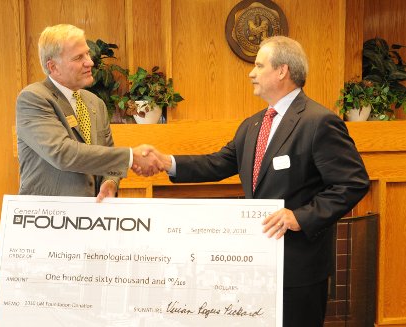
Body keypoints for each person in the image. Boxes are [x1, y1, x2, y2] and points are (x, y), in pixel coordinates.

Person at [150, 36, 369, 326]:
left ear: (282, 71)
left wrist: (301, 216)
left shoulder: (319, 122)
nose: (251, 73)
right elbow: (217, 164)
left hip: (298, 267)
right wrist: (168, 163)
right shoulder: (253, 124)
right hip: (258, 265)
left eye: (258, 65)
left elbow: (352, 183)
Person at [16, 24, 162, 200]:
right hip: (49, 218)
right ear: (53, 67)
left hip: (90, 217)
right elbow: (63, 153)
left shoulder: (95, 103)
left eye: (87, 53)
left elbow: (107, 151)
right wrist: (131, 157)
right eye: (78, 57)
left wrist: (110, 182)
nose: (90, 62)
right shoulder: (34, 98)